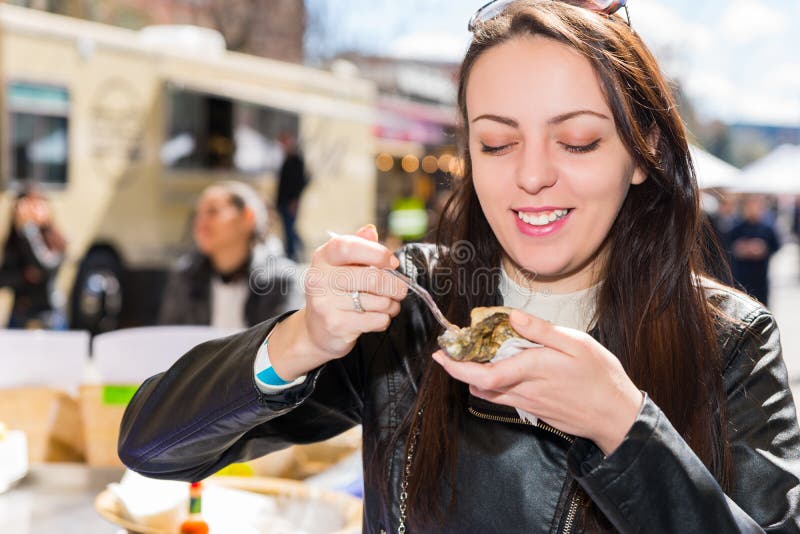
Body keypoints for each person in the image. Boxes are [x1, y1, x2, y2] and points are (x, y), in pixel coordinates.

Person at [119, 2, 800, 532]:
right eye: (497, 143)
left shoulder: (732, 342)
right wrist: (301, 339)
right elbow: (153, 446)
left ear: (643, 151)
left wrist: (625, 428)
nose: (531, 176)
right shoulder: (417, 307)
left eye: (579, 140)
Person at [158, 181, 302, 329]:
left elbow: (283, 344)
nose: (200, 221)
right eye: (198, 214)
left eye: (212, 211)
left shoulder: (281, 279)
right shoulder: (185, 275)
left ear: (247, 217)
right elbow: (171, 338)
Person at [0, 187, 66, 328]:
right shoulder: (16, 240)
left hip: (49, 312)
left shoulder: (54, 240)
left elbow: (45, 267)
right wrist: (24, 276)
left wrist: (29, 230)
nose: (32, 211)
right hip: (21, 310)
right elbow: (3, 277)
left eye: (36, 205)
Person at [729, 194, 781, 307]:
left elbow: (776, 246)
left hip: (760, 276)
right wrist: (741, 249)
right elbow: (728, 247)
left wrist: (763, 249)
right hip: (741, 276)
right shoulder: (736, 228)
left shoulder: (767, 228)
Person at [276, 131, 308, 261]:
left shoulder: (296, 160)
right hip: (283, 200)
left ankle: (293, 253)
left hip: (290, 201)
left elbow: (298, 183)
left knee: (290, 229)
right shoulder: (287, 158)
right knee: (288, 228)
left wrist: (295, 200)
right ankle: (295, 250)